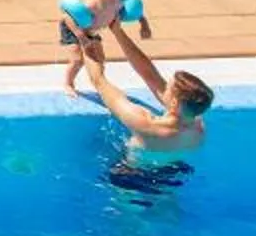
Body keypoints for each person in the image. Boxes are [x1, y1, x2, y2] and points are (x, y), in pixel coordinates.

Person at [81, 24, 213, 170]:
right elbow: (150, 75)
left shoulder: (144, 123)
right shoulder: (198, 126)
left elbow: (99, 81)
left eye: (167, 87)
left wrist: (86, 40)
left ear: (174, 103)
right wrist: (118, 32)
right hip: (170, 173)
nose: (163, 86)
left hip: (133, 177)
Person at [57, 0, 150, 96]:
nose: (125, 1)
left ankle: (100, 84)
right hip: (74, 29)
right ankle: (68, 83)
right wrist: (81, 37)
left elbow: (138, 13)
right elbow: (67, 18)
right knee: (77, 60)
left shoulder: (117, 4)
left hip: (92, 30)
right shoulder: (91, 6)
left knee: (100, 59)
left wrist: (144, 25)